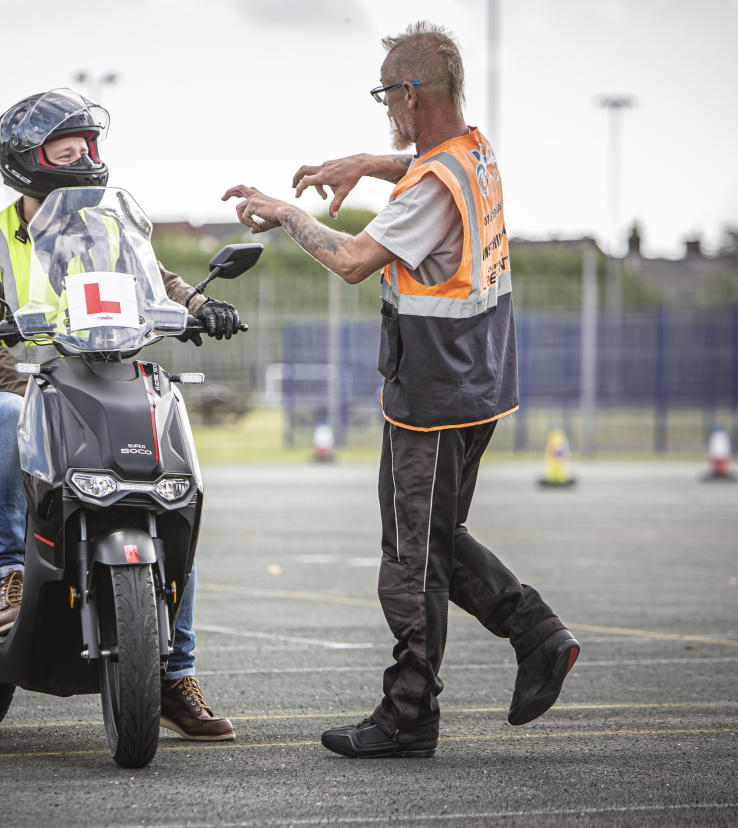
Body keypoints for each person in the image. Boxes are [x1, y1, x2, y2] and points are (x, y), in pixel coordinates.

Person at [222, 21, 579, 758]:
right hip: (477, 382)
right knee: (435, 541)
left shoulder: (429, 187)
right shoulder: (473, 154)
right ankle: (538, 635)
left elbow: (353, 259)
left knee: (409, 561)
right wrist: (365, 161)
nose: (384, 104)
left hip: (434, 394)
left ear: (413, 94)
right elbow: (424, 166)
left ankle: (409, 714)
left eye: (388, 92)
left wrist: (285, 212)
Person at [0, 88, 237, 740]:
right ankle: (8, 577)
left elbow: (158, 281)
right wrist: (30, 395)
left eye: (88, 146)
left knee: (168, 497)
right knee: (2, 416)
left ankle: (173, 671)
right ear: (29, 159)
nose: (83, 157)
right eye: (66, 148)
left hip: (98, 388)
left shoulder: (109, 230)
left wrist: (200, 308)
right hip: (14, 393)